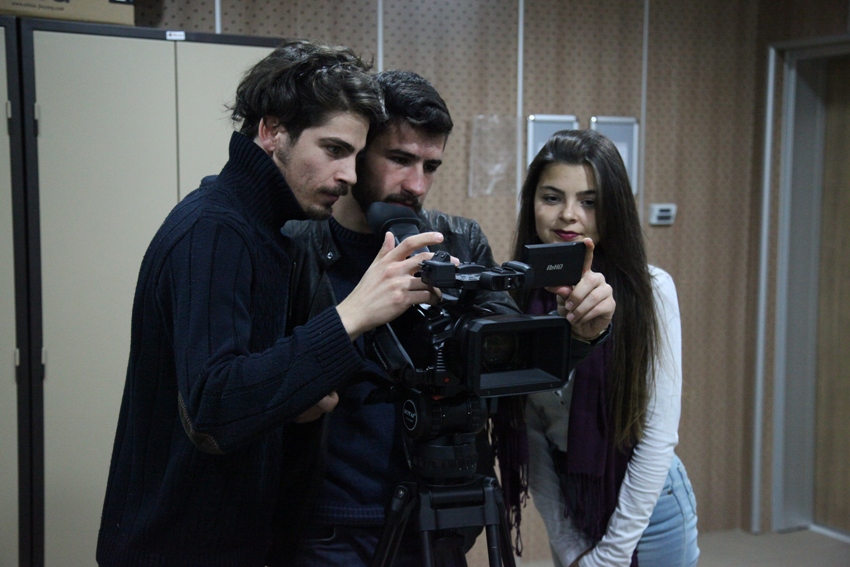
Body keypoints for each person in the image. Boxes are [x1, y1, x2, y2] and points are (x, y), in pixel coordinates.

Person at [96, 41, 449, 566]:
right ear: (271, 131)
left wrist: (298, 398)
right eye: (333, 150)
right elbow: (214, 408)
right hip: (176, 548)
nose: (350, 175)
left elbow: (243, 388)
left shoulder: (264, 231)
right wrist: (352, 315)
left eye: (355, 156)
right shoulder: (215, 229)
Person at [284, 71, 615, 566]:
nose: (416, 185)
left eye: (431, 166)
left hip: (441, 506)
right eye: (399, 160)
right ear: (359, 151)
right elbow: (264, 381)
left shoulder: (458, 240)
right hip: (331, 517)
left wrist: (583, 335)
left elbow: (512, 364)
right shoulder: (298, 245)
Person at [508, 129, 699, 567]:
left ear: (613, 208)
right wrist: (568, 544)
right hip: (572, 500)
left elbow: (657, 437)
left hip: (650, 507)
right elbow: (530, 431)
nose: (568, 215)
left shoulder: (651, 290)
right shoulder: (517, 296)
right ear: (532, 202)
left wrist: (609, 558)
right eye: (552, 197)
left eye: (589, 202)